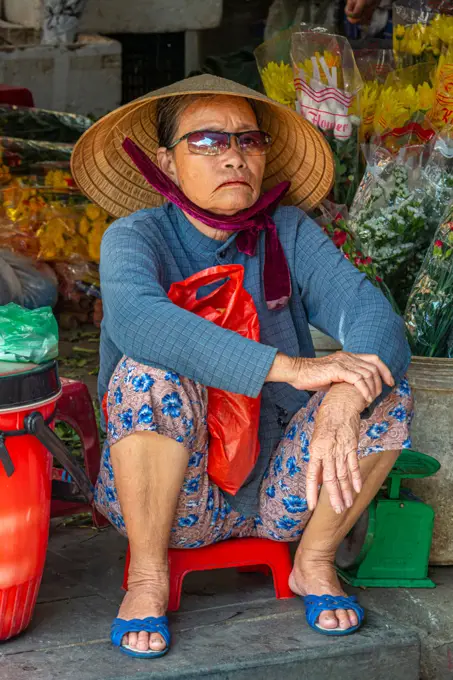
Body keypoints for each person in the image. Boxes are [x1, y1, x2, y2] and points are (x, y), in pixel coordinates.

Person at [71, 75, 412, 659]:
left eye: (247, 141)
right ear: (167, 163)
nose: (233, 156)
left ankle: (314, 560)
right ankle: (148, 578)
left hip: (286, 498)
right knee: (146, 376)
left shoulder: (289, 231)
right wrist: (292, 368)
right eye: (207, 142)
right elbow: (138, 322)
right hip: (173, 500)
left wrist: (341, 397)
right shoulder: (135, 237)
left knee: (382, 389)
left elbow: (371, 315)